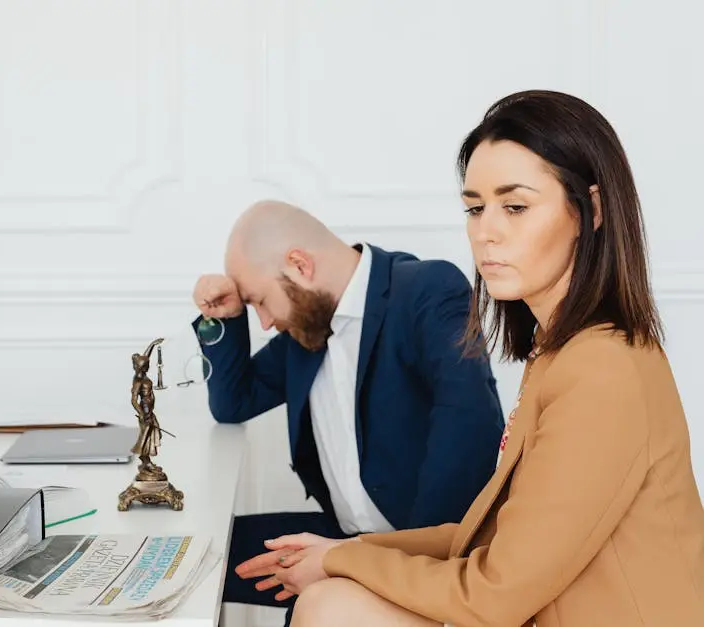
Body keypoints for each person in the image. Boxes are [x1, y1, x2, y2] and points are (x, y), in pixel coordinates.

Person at [238, 90, 704, 627]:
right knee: (329, 597)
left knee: (331, 605)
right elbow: (489, 535)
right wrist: (343, 552)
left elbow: (494, 596)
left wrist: (345, 559)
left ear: (589, 211)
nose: (486, 231)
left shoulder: (603, 368)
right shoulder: (560, 353)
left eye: (515, 206)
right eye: (475, 208)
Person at [190, 199, 506, 621]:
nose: (264, 322)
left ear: (299, 265)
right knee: (197, 557)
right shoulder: (307, 327)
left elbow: (471, 427)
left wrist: (369, 563)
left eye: (260, 301)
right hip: (342, 536)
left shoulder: (426, 289)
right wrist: (227, 318)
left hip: (419, 552)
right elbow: (233, 403)